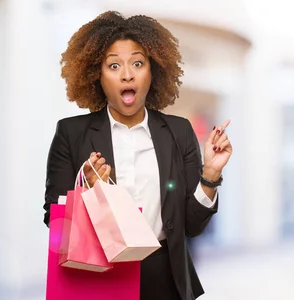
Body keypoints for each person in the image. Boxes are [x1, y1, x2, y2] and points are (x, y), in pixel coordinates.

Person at [42, 11, 233, 300]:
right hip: (99, 274)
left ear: (152, 71)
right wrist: (90, 193)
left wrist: (211, 174)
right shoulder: (71, 133)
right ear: (97, 75)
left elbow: (193, 227)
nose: (127, 74)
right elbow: (53, 221)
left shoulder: (179, 132)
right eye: (114, 65)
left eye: (138, 63)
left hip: (165, 278)